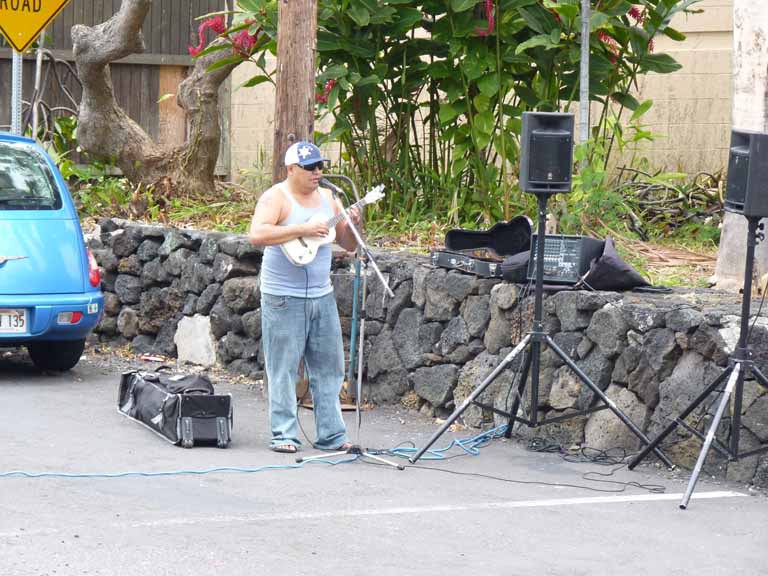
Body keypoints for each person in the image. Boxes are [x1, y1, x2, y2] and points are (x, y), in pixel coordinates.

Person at [248, 141, 360, 453]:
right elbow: (257, 234)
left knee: (329, 367)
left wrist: (354, 221)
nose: (317, 172)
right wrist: (301, 228)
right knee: (283, 367)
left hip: (322, 294)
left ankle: (332, 435)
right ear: (291, 169)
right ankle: (284, 434)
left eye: (320, 165)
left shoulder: (329, 197)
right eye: (310, 167)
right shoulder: (276, 197)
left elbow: (349, 244)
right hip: (283, 296)